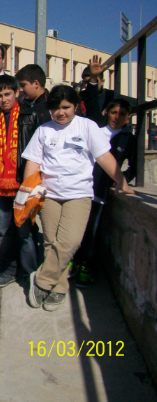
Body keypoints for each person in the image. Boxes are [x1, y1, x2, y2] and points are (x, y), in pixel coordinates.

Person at [22, 85, 134, 312]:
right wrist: (27, 191)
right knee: (51, 243)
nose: (61, 112)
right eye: (56, 108)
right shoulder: (44, 130)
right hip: (49, 194)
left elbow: (104, 156)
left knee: (70, 242)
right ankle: (58, 287)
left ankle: (42, 280)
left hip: (79, 195)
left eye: (66, 107)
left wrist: (121, 180)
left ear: (75, 107)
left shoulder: (87, 126)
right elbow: (33, 162)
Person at [0, 75, 43, 287]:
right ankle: (8, 270)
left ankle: (29, 273)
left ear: (17, 93)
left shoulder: (30, 116)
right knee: (5, 231)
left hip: (22, 182)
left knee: (24, 231)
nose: (4, 99)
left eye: (8, 94)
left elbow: (39, 151)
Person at [71, 99, 137, 287]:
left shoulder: (128, 139)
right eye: (114, 112)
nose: (117, 117)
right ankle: (72, 261)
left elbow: (134, 166)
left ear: (128, 117)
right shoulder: (95, 132)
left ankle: (87, 267)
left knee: (92, 232)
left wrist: (121, 180)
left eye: (122, 114)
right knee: (75, 230)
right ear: (106, 112)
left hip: (100, 194)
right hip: (81, 189)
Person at [79, 56, 114, 127]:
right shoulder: (78, 97)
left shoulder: (110, 95)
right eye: (86, 82)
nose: (87, 85)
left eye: (95, 80)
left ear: (102, 81)